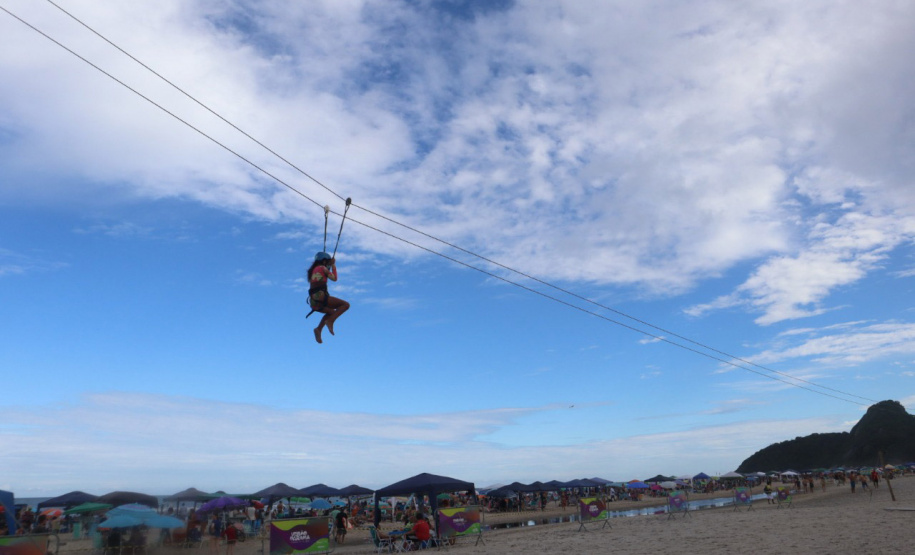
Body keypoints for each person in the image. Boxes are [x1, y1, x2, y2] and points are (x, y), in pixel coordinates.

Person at [307, 252, 350, 344]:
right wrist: (333, 266)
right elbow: (334, 278)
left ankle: (319, 329)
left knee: (331, 312)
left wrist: (330, 264)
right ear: (324, 261)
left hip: (313, 302)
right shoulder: (322, 268)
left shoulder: (314, 270)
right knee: (345, 305)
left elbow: (324, 274)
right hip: (320, 297)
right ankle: (330, 321)